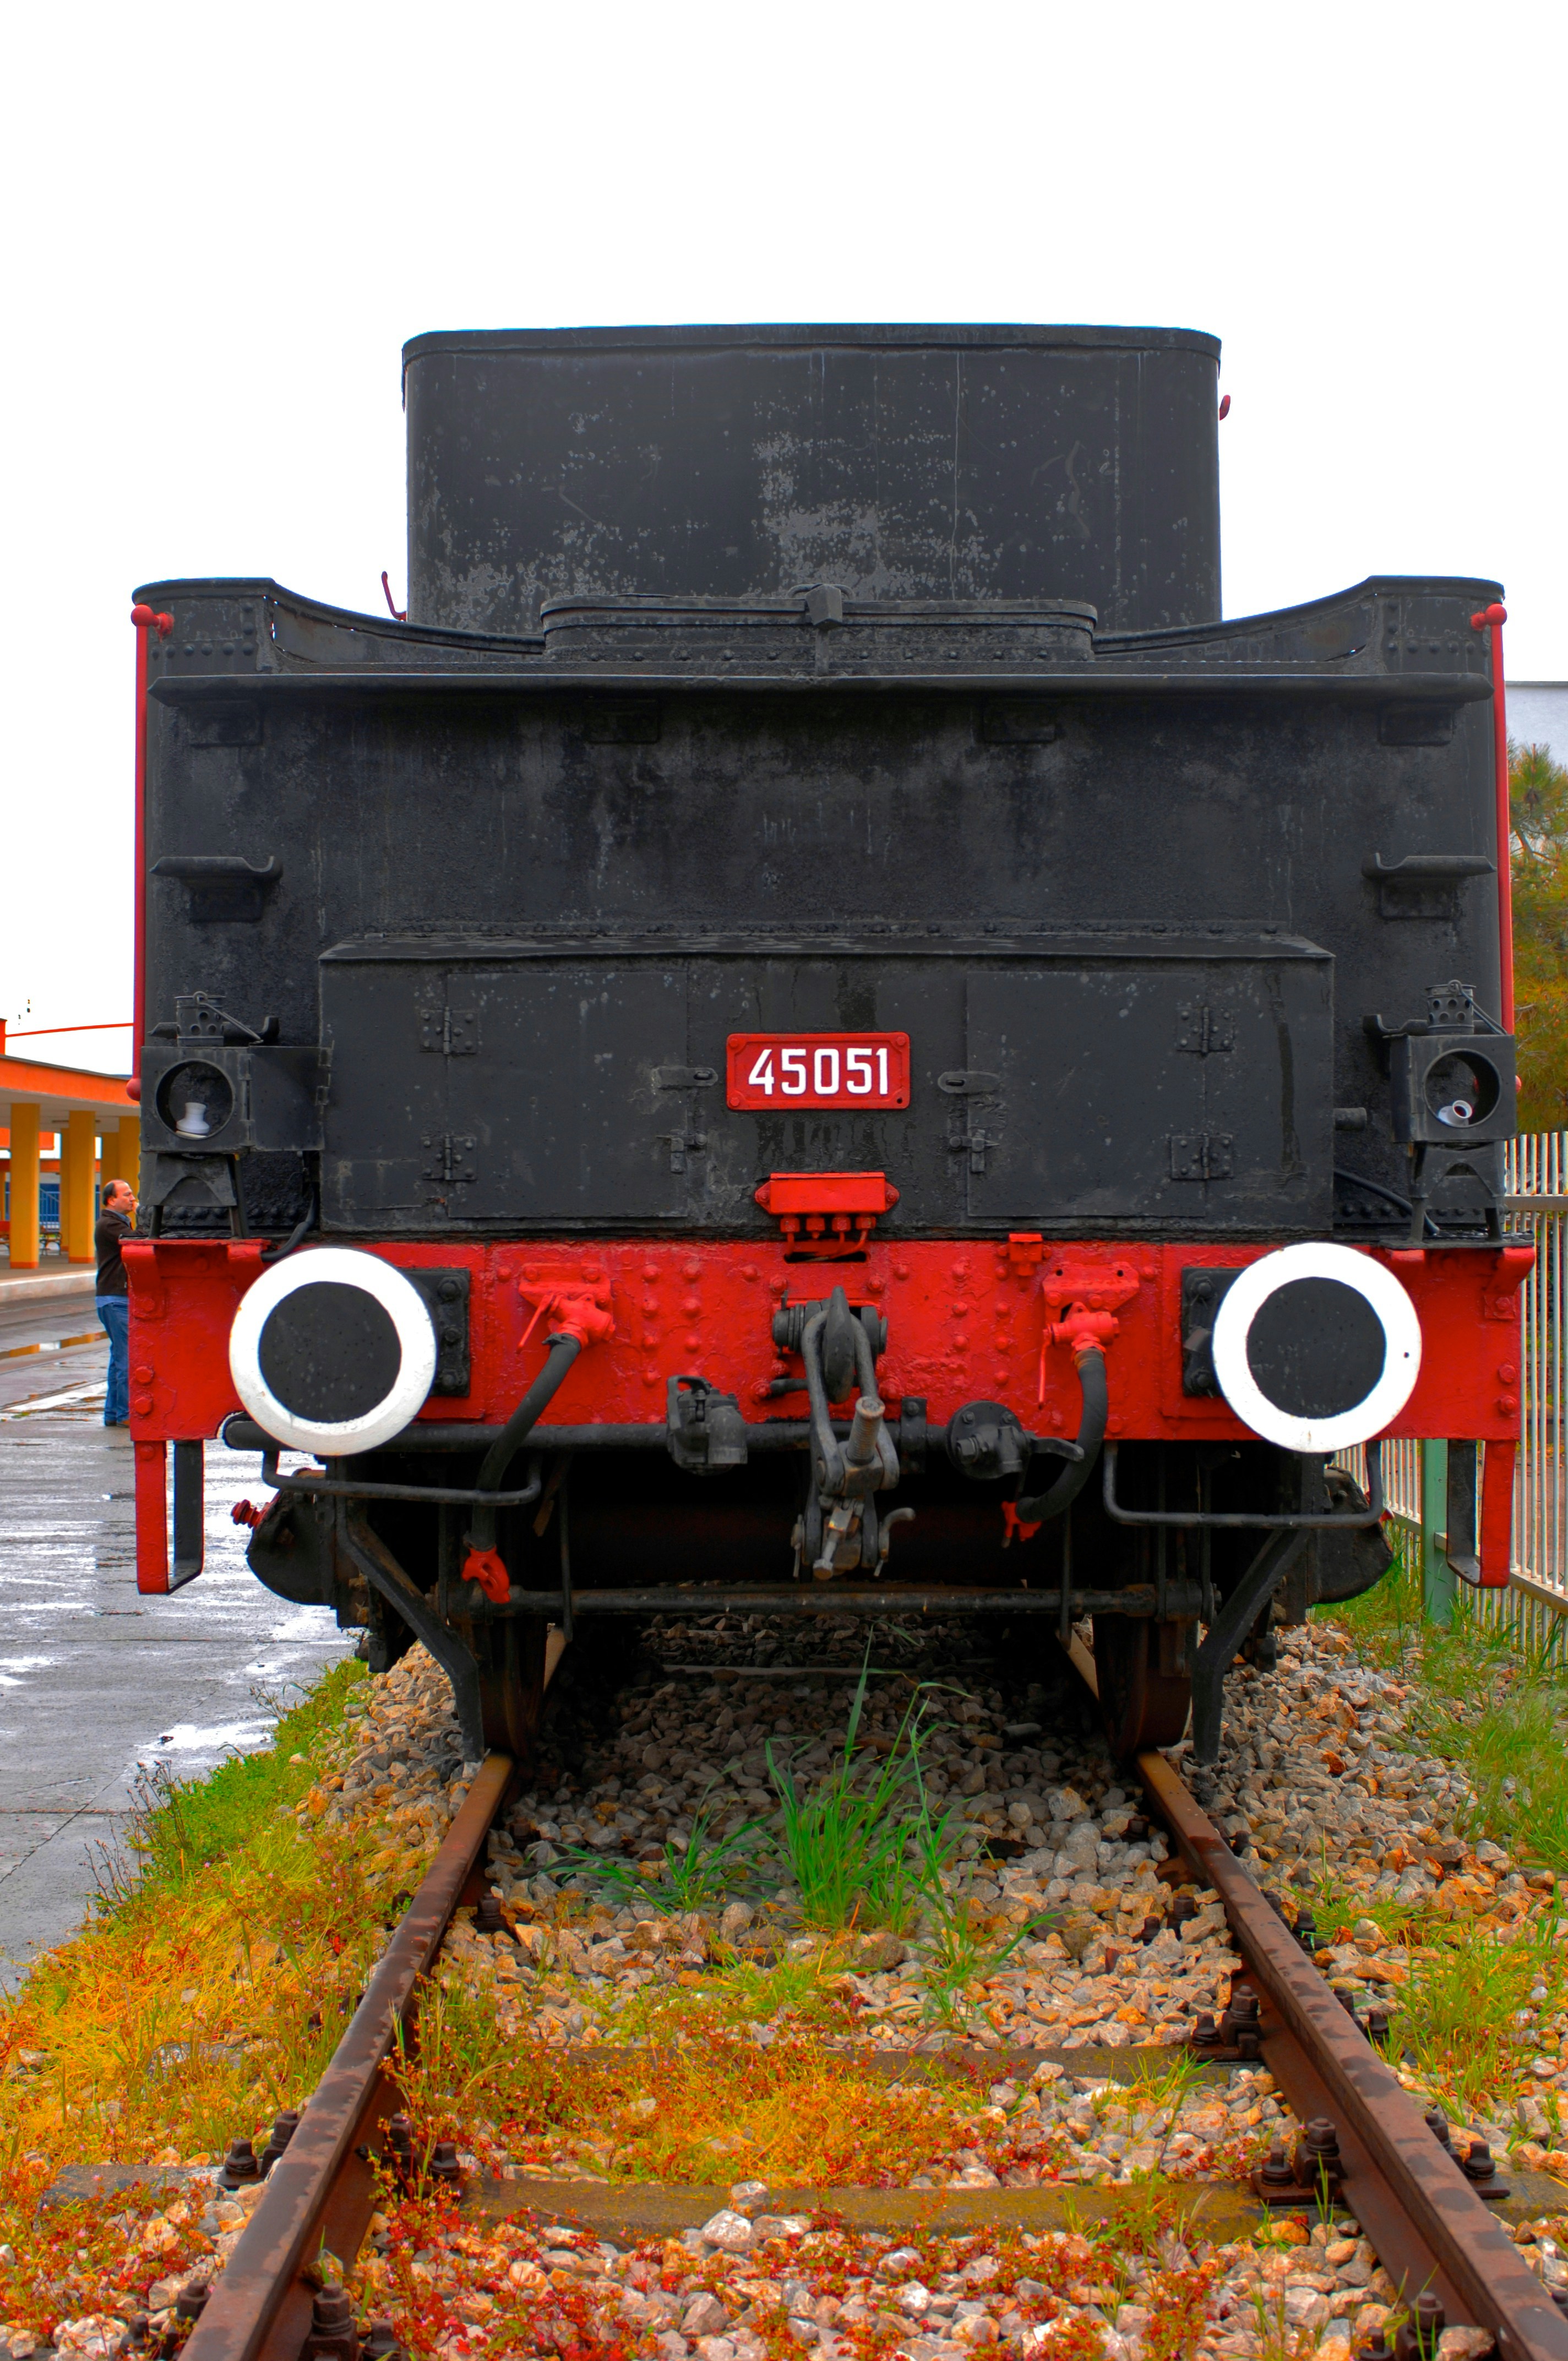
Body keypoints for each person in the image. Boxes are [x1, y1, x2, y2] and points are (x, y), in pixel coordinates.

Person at [95, 1177, 137, 1428]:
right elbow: (137, 1240)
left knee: (117, 1358)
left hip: (113, 1298)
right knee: (126, 1358)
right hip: (115, 1299)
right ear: (112, 1200)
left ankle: (112, 1413)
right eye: (127, 1195)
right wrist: (147, 1216)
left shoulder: (116, 1223)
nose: (133, 1199)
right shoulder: (110, 1225)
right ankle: (125, 1414)